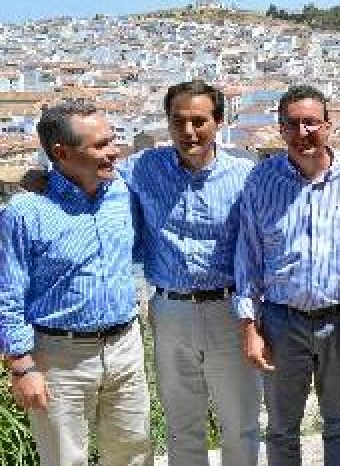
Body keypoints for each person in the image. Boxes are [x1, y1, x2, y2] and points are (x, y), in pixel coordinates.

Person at [0, 100, 154, 466]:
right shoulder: (27, 212)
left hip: (125, 348)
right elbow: (8, 292)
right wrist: (22, 367)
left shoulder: (122, 192)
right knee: (64, 459)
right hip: (59, 358)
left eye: (113, 140)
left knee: (134, 453)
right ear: (62, 153)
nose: (113, 151)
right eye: (100, 145)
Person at [234, 85, 340, 466]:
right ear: (280, 130)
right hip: (281, 321)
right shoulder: (262, 181)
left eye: (311, 123)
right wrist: (249, 326)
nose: (303, 133)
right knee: (281, 428)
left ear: (328, 126)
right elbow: (247, 257)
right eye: (292, 124)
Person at [122, 81, 261, 466]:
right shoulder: (143, 168)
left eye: (199, 121)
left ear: (219, 122)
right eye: (178, 121)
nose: (188, 132)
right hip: (170, 311)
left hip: (229, 310)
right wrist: (41, 180)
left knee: (240, 424)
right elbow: (93, 174)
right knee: (182, 426)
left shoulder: (245, 175)